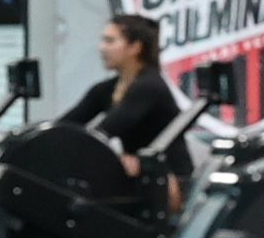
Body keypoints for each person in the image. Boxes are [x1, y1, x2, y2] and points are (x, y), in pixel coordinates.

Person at [61, 14, 193, 183]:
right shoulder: (106, 88)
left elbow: (105, 132)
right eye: (103, 40)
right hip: (140, 175)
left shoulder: (149, 86)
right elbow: (67, 124)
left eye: (110, 41)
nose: (102, 47)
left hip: (168, 178)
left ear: (135, 47)